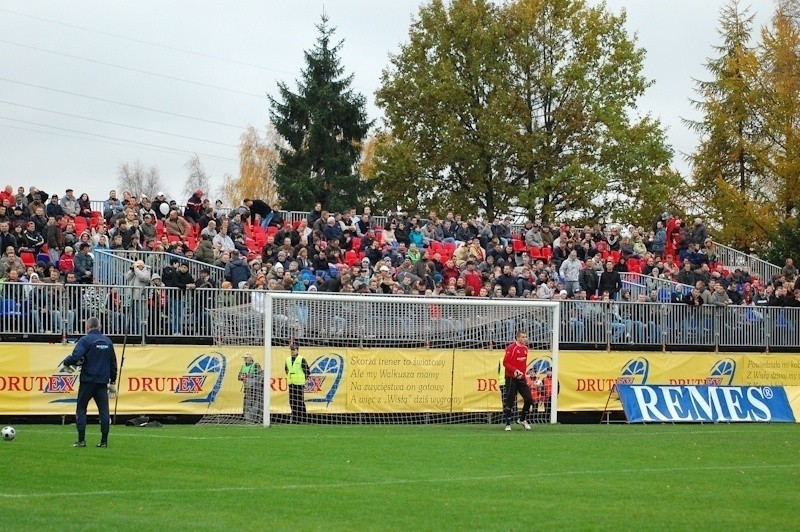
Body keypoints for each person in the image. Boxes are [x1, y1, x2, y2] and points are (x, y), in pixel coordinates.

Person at [59, 316, 118, 448]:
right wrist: (113, 381)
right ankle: (104, 441)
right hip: (102, 382)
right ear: (100, 326)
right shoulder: (108, 341)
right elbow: (113, 363)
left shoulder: (85, 340)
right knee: (104, 411)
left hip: (87, 381)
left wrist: (67, 362)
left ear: (88, 327)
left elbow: (76, 356)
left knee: (81, 409)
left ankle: (81, 440)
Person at [502, 330, 533, 431]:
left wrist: (523, 374)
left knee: (529, 399)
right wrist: (515, 371)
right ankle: (508, 423)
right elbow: (505, 363)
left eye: (526, 337)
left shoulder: (525, 349)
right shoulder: (511, 348)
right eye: (523, 337)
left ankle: (522, 419)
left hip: (521, 378)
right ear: (518, 338)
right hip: (511, 377)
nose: (525, 339)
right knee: (510, 400)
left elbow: (523, 364)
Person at [285, 343, 309, 423]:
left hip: (299, 383)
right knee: (292, 401)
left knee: (300, 401)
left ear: (297, 350)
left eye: (294, 349)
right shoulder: (288, 359)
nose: (292, 351)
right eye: (291, 350)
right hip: (291, 383)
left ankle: (303, 419)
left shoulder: (301, 359)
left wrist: (304, 379)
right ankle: (295, 419)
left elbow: (307, 370)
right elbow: (286, 369)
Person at [238, 352, 263, 422]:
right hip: (247, 388)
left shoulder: (256, 365)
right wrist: (242, 377)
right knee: (247, 403)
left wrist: (248, 378)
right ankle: (248, 418)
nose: (245, 359)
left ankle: (255, 418)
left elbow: (259, 376)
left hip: (255, 388)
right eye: (244, 358)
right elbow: (239, 377)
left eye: (246, 358)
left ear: (251, 358)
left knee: (255, 403)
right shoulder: (243, 366)